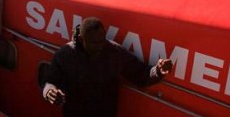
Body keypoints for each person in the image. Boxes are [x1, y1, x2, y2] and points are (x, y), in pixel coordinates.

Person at [42, 17, 173, 116]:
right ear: (82, 39)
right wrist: (49, 92)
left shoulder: (114, 51)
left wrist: (158, 71)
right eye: (94, 43)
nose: (100, 46)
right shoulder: (65, 55)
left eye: (102, 40)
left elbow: (140, 75)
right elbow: (49, 80)